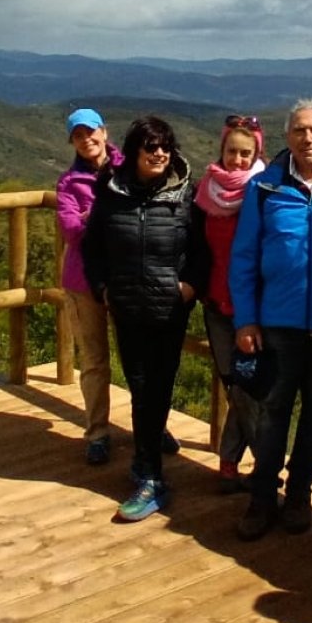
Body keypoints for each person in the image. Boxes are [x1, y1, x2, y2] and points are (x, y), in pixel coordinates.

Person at [228, 99, 312, 541]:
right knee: (273, 412)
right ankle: (262, 496)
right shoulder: (264, 187)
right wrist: (246, 320)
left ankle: (300, 493)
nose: (308, 138)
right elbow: (243, 257)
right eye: (300, 130)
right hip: (277, 323)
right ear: (287, 138)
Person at [81, 116, 207, 522]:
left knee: (156, 388)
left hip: (168, 311)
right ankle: (147, 466)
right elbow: (92, 247)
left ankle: (150, 476)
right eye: (150, 146)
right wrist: (103, 288)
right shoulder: (111, 192)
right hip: (127, 309)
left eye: (165, 146)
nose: (158, 153)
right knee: (141, 389)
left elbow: (203, 251)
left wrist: (188, 288)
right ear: (134, 150)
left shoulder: (186, 195)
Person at [190, 115, 268, 494]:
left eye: (245, 153)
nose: (238, 160)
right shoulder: (205, 192)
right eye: (232, 152)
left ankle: (247, 464)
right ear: (221, 151)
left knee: (248, 387)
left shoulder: (265, 192)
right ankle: (240, 464)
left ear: (257, 154)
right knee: (236, 386)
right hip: (215, 304)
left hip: (252, 309)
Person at [55, 107, 121, 465]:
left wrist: (90, 214)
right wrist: (105, 214)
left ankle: (152, 426)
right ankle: (97, 432)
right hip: (83, 283)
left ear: (105, 132)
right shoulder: (68, 183)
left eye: (91, 131)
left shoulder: (129, 168)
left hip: (126, 278)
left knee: (140, 359)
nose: (86, 140)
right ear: (72, 142)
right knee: (94, 361)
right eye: (78, 135)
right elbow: (72, 232)